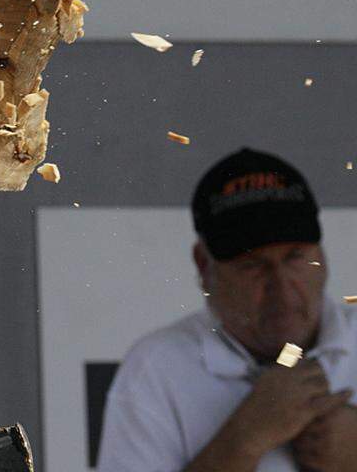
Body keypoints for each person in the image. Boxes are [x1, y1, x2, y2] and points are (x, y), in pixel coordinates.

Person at [98, 148, 357, 471]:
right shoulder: (157, 368)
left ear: (321, 254)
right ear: (204, 265)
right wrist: (244, 440)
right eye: (253, 265)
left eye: (295, 256)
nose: (281, 285)